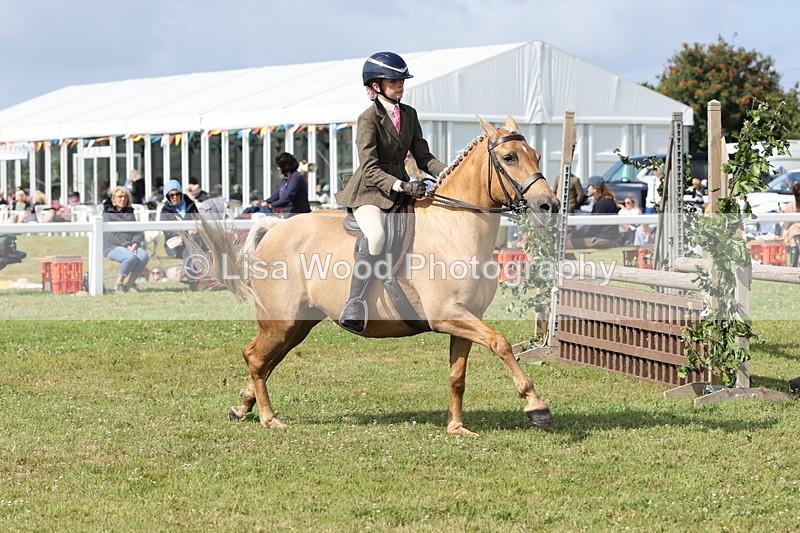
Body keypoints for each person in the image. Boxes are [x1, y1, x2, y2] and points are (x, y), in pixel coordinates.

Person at [333, 51, 446, 334]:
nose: (400, 85)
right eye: (393, 80)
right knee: (377, 235)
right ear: (375, 86)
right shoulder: (367, 119)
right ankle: (355, 302)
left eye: (401, 80)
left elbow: (423, 156)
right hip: (370, 191)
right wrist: (402, 185)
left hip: (402, 188)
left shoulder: (409, 114)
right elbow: (369, 168)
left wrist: (449, 173)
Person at [159, 179, 205, 290]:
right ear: (167, 196)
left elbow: (199, 221)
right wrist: (185, 233)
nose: (174, 197)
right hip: (175, 244)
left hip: (193, 240)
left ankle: (189, 277)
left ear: (181, 193)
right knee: (189, 249)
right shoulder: (165, 210)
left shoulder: (191, 205)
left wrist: (196, 229)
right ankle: (191, 279)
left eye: (177, 194)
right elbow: (167, 231)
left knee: (190, 247)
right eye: (171, 195)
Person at [103, 186, 149, 293]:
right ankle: (119, 284)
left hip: (130, 245)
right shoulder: (107, 213)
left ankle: (130, 284)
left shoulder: (130, 212)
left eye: (125, 197)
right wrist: (126, 245)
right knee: (130, 257)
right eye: (120, 197)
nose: (123, 199)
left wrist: (135, 243)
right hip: (112, 246)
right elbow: (111, 235)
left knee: (143, 256)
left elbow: (137, 231)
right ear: (113, 199)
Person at [567, 176, 620, 249]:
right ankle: (576, 261)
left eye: (589, 186)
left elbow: (591, 228)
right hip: (609, 238)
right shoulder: (608, 201)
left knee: (565, 245)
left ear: (594, 188)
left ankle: (575, 261)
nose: (587, 188)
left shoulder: (601, 204)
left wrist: (573, 234)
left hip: (602, 239)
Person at [265, 152, 311, 216]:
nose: (278, 168)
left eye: (280, 166)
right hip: (288, 214)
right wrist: (266, 201)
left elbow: (287, 198)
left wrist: (271, 205)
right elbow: (277, 194)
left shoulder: (296, 177)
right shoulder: (285, 178)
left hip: (299, 214)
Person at [781, 182, 800, 267]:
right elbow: (785, 224)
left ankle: (793, 265)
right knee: (794, 230)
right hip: (795, 233)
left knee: (795, 230)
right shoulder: (791, 205)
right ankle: (793, 266)